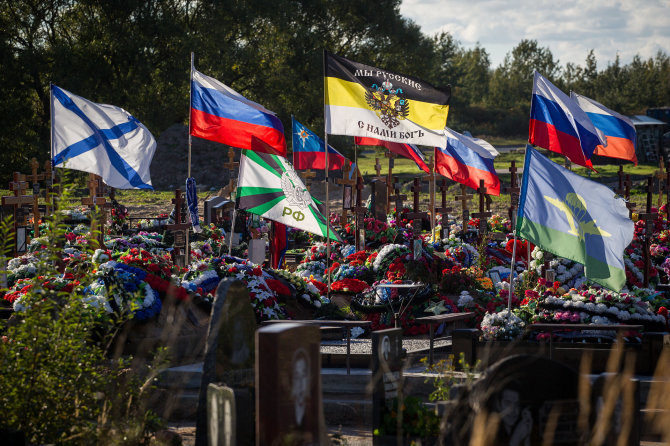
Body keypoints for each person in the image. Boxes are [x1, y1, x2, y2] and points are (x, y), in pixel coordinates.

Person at [493, 381, 533, 446]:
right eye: (507, 403)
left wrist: (527, 437)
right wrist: (515, 440)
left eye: (516, 404)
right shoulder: (490, 435)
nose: (513, 410)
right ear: (498, 405)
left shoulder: (519, 429)